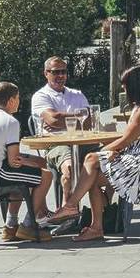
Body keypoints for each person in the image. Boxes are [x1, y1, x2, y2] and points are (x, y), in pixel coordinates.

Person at [48, 65, 140, 241]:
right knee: (90, 177)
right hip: (136, 157)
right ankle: (95, 226)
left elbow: (126, 140)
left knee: (91, 159)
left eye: (125, 85)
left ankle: (72, 206)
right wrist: (114, 151)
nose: (123, 89)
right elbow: (131, 140)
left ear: (135, 85)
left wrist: (104, 151)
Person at [0, 82, 53, 242]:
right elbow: (14, 162)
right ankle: (28, 225)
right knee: (46, 175)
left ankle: (10, 226)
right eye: (18, 98)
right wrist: (32, 164)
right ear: (11, 100)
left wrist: (34, 162)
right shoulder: (10, 122)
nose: (19, 101)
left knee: (36, 165)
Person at [31, 56, 92, 202]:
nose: (60, 76)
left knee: (108, 159)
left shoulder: (76, 94)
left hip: (83, 142)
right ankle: (67, 209)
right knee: (69, 168)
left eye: (63, 72)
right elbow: (53, 120)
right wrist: (78, 116)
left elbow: (89, 121)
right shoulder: (41, 96)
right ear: (46, 73)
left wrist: (61, 118)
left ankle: (104, 209)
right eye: (55, 72)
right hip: (55, 144)